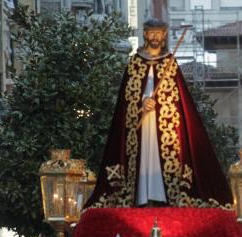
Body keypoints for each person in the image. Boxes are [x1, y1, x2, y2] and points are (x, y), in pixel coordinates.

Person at [84, 18, 233, 209]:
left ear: (163, 35)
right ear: (145, 34)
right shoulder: (134, 63)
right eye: (151, 32)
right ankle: (140, 198)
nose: (155, 36)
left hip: (165, 127)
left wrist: (161, 104)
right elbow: (125, 100)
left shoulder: (170, 63)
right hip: (141, 124)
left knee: (160, 158)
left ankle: (162, 197)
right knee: (142, 157)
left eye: (159, 32)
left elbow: (179, 100)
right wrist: (140, 104)